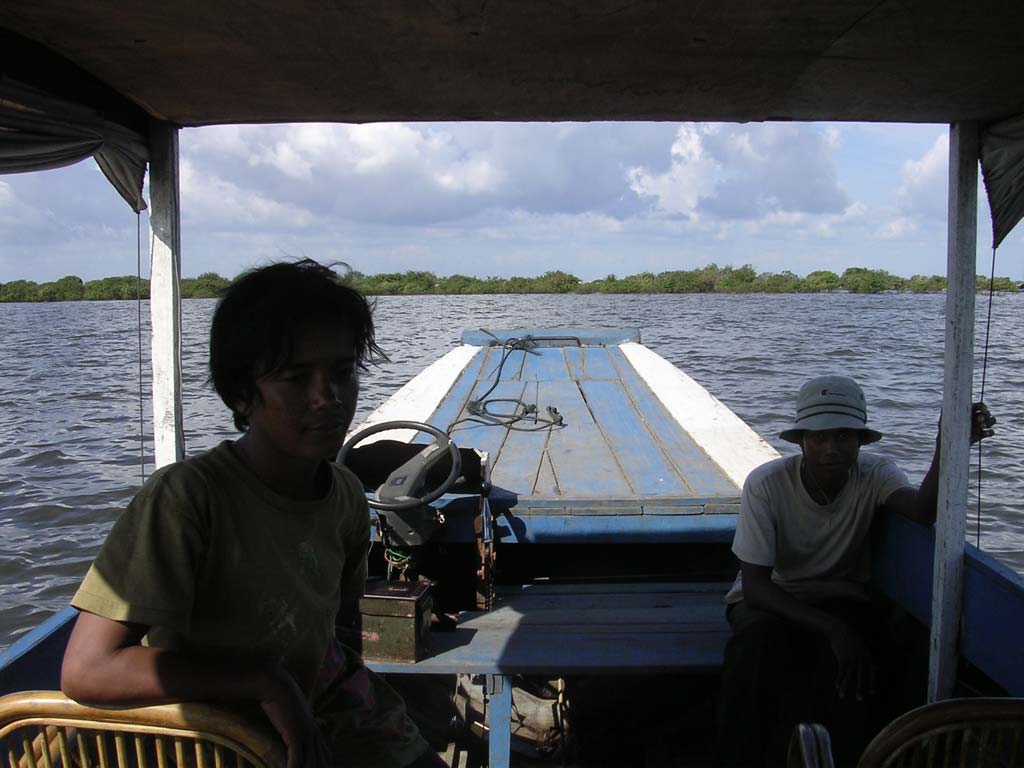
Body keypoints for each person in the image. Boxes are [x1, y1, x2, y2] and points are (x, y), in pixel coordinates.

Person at [61, 259, 447, 768]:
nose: (327, 398)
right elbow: (87, 670)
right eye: (294, 378)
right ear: (242, 394)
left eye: (343, 372)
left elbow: (336, 633)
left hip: (307, 716)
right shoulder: (188, 499)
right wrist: (263, 680)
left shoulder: (347, 498)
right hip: (208, 740)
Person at [715, 374, 995, 768]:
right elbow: (757, 588)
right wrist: (834, 629)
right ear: (801, 441)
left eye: (844, 437)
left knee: (855, 669)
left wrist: (948, 444)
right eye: (820, 437)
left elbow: (922, 510)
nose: (832, 448)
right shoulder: (767, 484)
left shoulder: (875, 474)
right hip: (773, 597)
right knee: (757, 648)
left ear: (860, 441)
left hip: (839, 597)